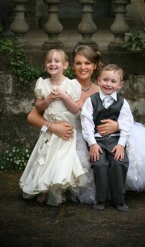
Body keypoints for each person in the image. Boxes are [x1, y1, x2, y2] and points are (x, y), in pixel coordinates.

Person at [26, 45, 145, 205]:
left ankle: (117, 186)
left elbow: (123, 114)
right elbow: (32, 116)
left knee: (125, 153)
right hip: (72, 136)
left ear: (94, 66)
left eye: (87, 63)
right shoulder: (64, 85)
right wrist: (52, 127)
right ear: (71, 65)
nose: (83, 67)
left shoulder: (104, 87)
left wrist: (117, 125)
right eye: (78, 63)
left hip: (100, 137)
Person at [19, 48, 87, 206]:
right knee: (43, 158)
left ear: (65, 65)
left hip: (66, 131)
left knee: (60, 160)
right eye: (49, 61)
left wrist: (64, 95)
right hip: (50, 131)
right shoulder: (42, 84)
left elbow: (76, 109)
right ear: (45, 65)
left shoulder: (71, 85)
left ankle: (58, 190)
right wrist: (48, 99)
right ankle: (43, 188)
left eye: (57, 61)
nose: (52, 63)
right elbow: (38, 108)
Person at [81, 64, 134, 211]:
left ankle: (119, 199)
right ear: (98, 80)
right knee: (99, 164)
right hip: (97, 140)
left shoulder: (123, 103)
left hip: (116, 140)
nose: (108, 84)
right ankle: (101, 199)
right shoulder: (91, 101)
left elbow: (127, 124)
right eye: (105, 80)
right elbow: (86, 123)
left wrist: (121, 145)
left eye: (113, 81)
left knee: (119, 162)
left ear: (120, 85)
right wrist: (92, 143)